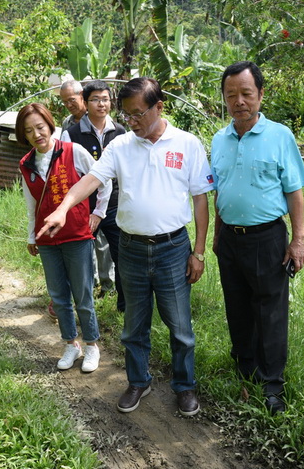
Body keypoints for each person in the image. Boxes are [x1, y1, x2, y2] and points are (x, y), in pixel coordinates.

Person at [38, 77, 213, 417]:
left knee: (180, 327)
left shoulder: (187, 143)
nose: (131, 122)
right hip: (131, 249)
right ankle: (138, 381)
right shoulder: (121, 146)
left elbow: (200, 200)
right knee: (134, 325)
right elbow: (91, 180)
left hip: (173, 248)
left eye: (137, 114)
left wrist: (199, 252)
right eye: (127, 115)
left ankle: (184, 386)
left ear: (159, 107)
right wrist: (63, 208)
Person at [210, 61, 304, 414]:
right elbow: (219, 192)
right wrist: (217, 235)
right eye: (231, 95)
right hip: (230, 239)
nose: (239, 101)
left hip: (267, 238)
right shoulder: (219, 140)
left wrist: (298, 240)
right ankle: (245, 370)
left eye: (246, 93)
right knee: (237, 306)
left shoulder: (280, 136)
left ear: (260, 95)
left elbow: (294, 191)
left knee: (270, 312)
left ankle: (272, 386)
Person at [17, 103, 111, 373]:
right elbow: (31, 204)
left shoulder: (73, 151)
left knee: (83, 295)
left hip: (77, 235)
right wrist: (32, 236)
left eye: (40, 127)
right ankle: (71, 344)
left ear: (50, 125)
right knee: (58, 296)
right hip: (47, 239)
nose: (36, 134)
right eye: (29, 131)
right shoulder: (26, 164)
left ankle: (92, 345)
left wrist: (98, 213)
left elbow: (103, 180)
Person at [61, 79, 126, 311]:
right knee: (80, 259)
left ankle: (124, 306)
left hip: (115, 205)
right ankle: (81, 305)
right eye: (95, 99)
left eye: (105, 99)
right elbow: (66, 171)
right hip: (84, 207)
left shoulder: (120, 132)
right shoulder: (71, 134)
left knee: (122, 256)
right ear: (85, 102)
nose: (101, 104)